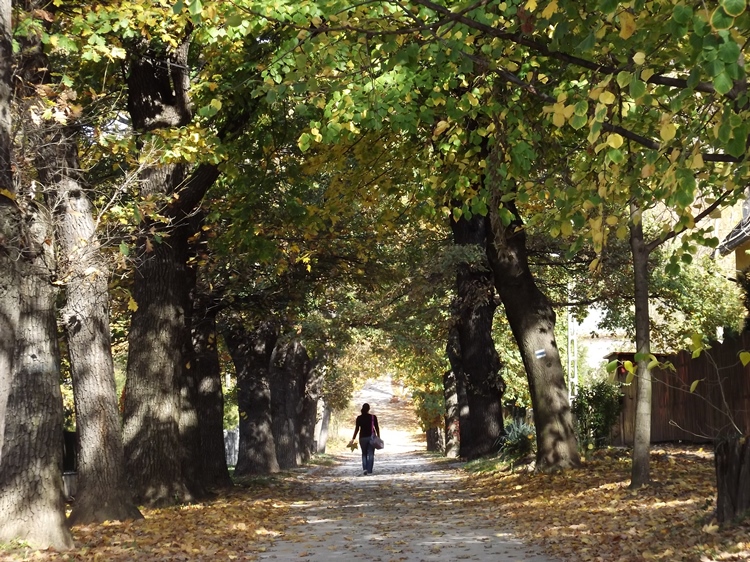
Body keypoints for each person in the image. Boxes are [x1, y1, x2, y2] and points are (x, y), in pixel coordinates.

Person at [350, 403, 380, 475]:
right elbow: (377, 427)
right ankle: (369, 470)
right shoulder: (373, 417)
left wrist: (353, 438)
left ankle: (365, 469)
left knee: (364, 454)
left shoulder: (359, 418)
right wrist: (378, 436)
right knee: (371, 454)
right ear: (369, 409)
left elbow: (357, 429)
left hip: (362, 438)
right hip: (371, 437)